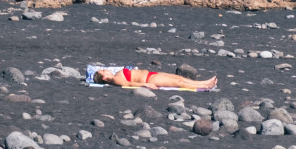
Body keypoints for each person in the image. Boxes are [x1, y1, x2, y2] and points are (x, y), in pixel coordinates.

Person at [86, 65, 218, 91]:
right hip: (149, 80)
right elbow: (129, 84)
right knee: (178, 82)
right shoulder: (115, 80)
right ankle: (205, 86)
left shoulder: (115, 75)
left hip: (151, 74)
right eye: (103, 70)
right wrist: (145, 85)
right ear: (104, 78)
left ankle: (203, 82)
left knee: (179, 77)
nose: (106, 69)